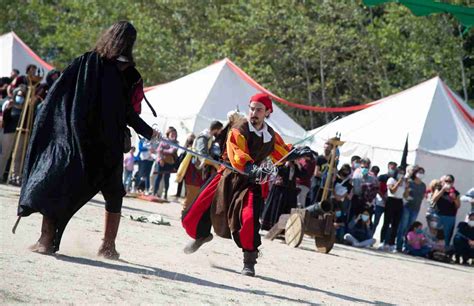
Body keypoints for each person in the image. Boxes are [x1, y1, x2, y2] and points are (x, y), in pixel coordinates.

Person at [17, 21, 160, 258]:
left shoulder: (87, 62)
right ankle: (107, 246)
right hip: (107, 145)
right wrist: (149, 132)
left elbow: (58, 97)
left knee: (58, 181)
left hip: (77, 140)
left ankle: (47, 240)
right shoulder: (125, 72)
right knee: (113, 192)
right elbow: (127, 111)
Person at [181, 93, 295, 277]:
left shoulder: (270, 135)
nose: (254, 113)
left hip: (251, 183)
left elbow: (280, 153)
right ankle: (201, 235)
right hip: (228, 176)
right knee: (198, 209)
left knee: (249, 218)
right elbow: (237, 153)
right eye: (252, 108)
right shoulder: (239, 128)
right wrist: (250, 166)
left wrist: (293, 154)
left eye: (259, 109)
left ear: (267, 112)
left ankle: (249, 261)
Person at [261, 161, 300, 230]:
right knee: (277, 207)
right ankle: (271, 226)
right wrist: (286, 165)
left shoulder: (296, 166)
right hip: (279, 189)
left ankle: (283, 228)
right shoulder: (281, 163)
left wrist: (299, 166)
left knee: (287, 209)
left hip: (290, 190)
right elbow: (278, 172)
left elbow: (303, 175)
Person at [0, 85, 27, 183]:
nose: (20, 97)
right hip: (9, 132)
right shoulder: (10, 106)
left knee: (18, 156)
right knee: (5, 154)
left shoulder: (26, 109)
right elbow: (5, 120)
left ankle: (16, 177)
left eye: (22, 95)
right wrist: (7, 110)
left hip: (22, 134)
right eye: (19, 95)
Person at [396, 166, 427, 251]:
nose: (420, 174)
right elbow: (405, 195)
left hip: (416, 208)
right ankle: (398, 245)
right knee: (403, 226)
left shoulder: (423, 185)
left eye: (422, 172)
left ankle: (406, 246)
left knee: (410, 228)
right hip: (407, 206)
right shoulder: (410, 182)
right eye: (419, 172)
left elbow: (423, 196)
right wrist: (407, 190)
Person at [379, 166, 408, 252]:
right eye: (400, 173)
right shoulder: (391, 180)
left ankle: (391, 244)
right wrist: (399, 182)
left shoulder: (404, 183)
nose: (401, 175)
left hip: (399, 202)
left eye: (403, 173)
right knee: (386, 222)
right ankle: (382, 241)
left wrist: (406, 187)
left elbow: (405, 195)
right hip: (391, 200)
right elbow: (392, 191)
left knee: (396, 224)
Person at [431, 174, 461, 248]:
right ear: (443, 181)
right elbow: (434, 199)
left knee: (446, 235)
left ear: (453, 182)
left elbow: (458, 206)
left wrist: (454, 199)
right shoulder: (439, 188)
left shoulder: (455, 192)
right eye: (446, 181)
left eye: (450, 181)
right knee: (435, 233)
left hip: (449, 216)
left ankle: (443, 251)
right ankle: (433, 250)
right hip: (438, 214)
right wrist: (442, 190)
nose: (448, 182)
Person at [153, 126, 178, 199]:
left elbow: (172, 151)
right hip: (161, 161)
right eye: (172, 134)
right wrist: (160, 159)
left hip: (169, 163)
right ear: (168, 134)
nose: (174, 135)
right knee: (158, 177)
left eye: (175, 134)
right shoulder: (163, 140)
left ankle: (165, 194)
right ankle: (155, 193)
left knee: (167, 179)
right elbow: (158, 150)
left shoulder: (176, 143)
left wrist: (163, 151)